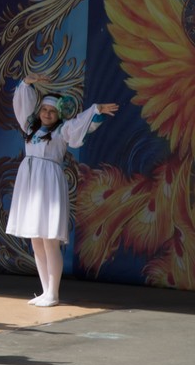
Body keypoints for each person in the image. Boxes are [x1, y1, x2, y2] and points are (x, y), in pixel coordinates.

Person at [7, 74, 118, 307]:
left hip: (48, 182)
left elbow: (80, 126)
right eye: (44, 109)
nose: (47, 114)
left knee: (49, 240)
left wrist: (96, 110)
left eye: (52, 111)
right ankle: (45, 290)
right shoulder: (30, 127)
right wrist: (26, 82)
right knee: (36, 240)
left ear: (59, 114)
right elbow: (21, 104)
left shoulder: (62, 131)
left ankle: (53, 293)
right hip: (30, 183)